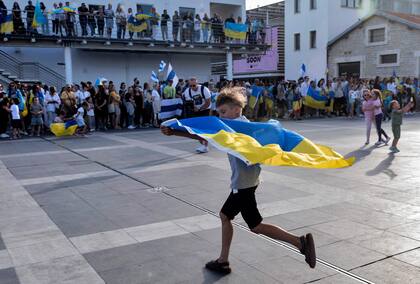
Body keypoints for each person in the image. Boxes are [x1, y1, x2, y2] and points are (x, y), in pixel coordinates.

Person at [161, 87, 316, 274]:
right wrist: (177, 132)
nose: (222, 117)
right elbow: (205, 134)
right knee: (227, 216)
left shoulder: (241, 129)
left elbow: (204, 134)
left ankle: (299, 242)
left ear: (237, 109)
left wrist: (177, 131)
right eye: (219, 113)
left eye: (224, 112)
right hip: (247, 182)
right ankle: (223, 260)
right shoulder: (239, 126)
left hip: (243, 185)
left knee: (255, 225)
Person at [183, 77, 211, 153]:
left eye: (194, 85)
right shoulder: (187, 91)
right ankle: (203, 145)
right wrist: (193, 108)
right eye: (191, 86)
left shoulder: (204, 89)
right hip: (195, 111)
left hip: (205, 109)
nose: (193, 87)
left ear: (197, 84)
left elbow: (208, 102)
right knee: (196, 129)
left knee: (203, 128)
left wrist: (200, 109)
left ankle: (205, 146)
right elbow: (188, 102)